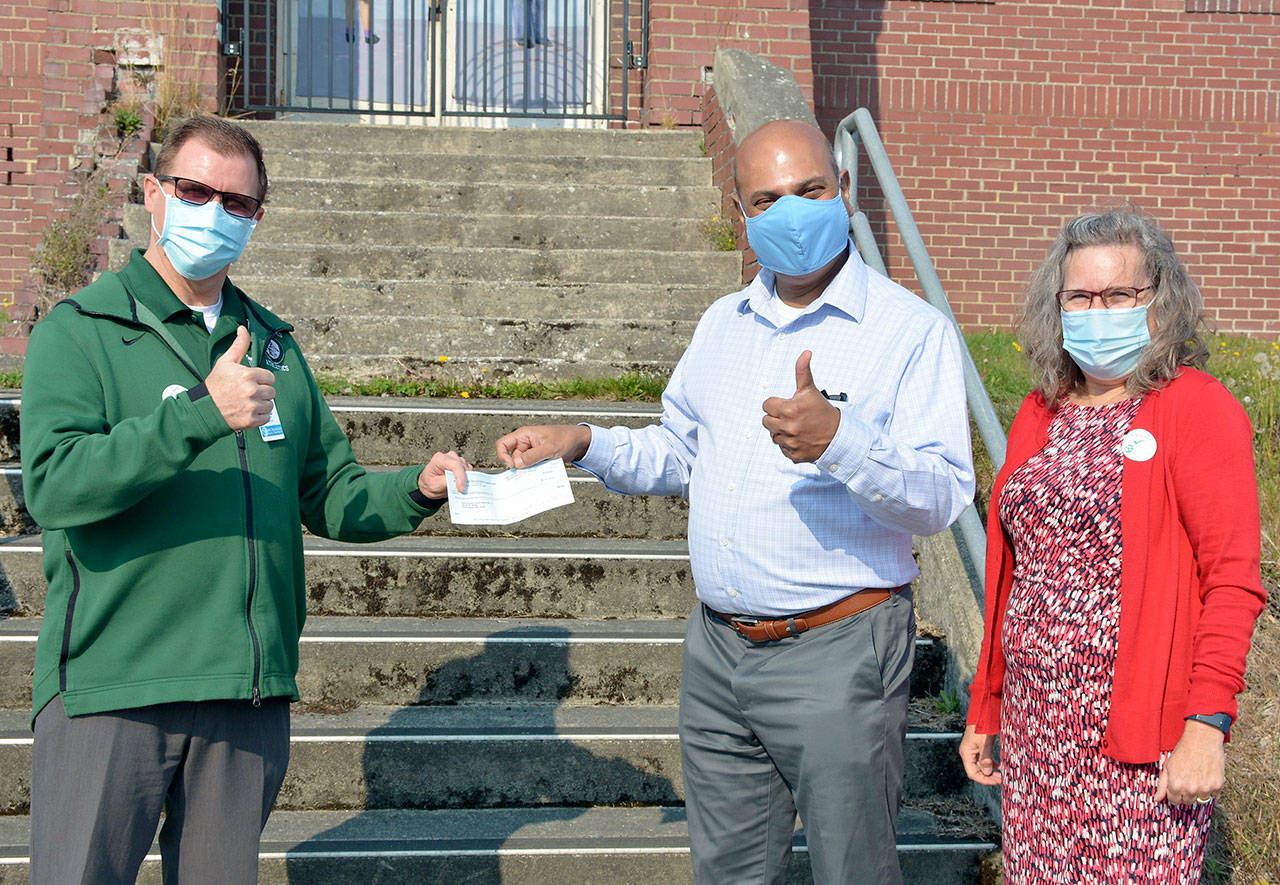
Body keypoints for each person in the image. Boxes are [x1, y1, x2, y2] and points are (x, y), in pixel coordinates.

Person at [495, 118, 974, 884]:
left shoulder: (910, 332)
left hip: (838, 648)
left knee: (852, 868)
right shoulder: (725, 323)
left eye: (810, 190)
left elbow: (942, 495)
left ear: (843, 189)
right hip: (719, 650)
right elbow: (681, 452)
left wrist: (840, 440)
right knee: (730, 871)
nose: (791, 211)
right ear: (742, 213)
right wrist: (583, 438)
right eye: (767, 198)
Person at [20, 114, 469, 884]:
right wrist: (200, 411)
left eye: (239, 203)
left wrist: (418, 489)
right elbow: (56, 483)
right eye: (197, 190)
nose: (216, 213)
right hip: (113, 686)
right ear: (155, 195)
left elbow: (331, 492)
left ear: (258, 217)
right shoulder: (81, 330)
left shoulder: (271, 344)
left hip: (243, 696)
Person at [959, 210, 1266, 882]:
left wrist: (1206, 725)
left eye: (1119, 294)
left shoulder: (1197, 407)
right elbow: (1016, 574)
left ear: (1159, 301)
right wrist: (988, 704)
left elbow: (1233, 582)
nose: (1098, 310)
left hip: (1139, 743)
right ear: (1057, 305)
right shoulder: (1041, 413)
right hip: (1036, 734)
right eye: (1081, 297)